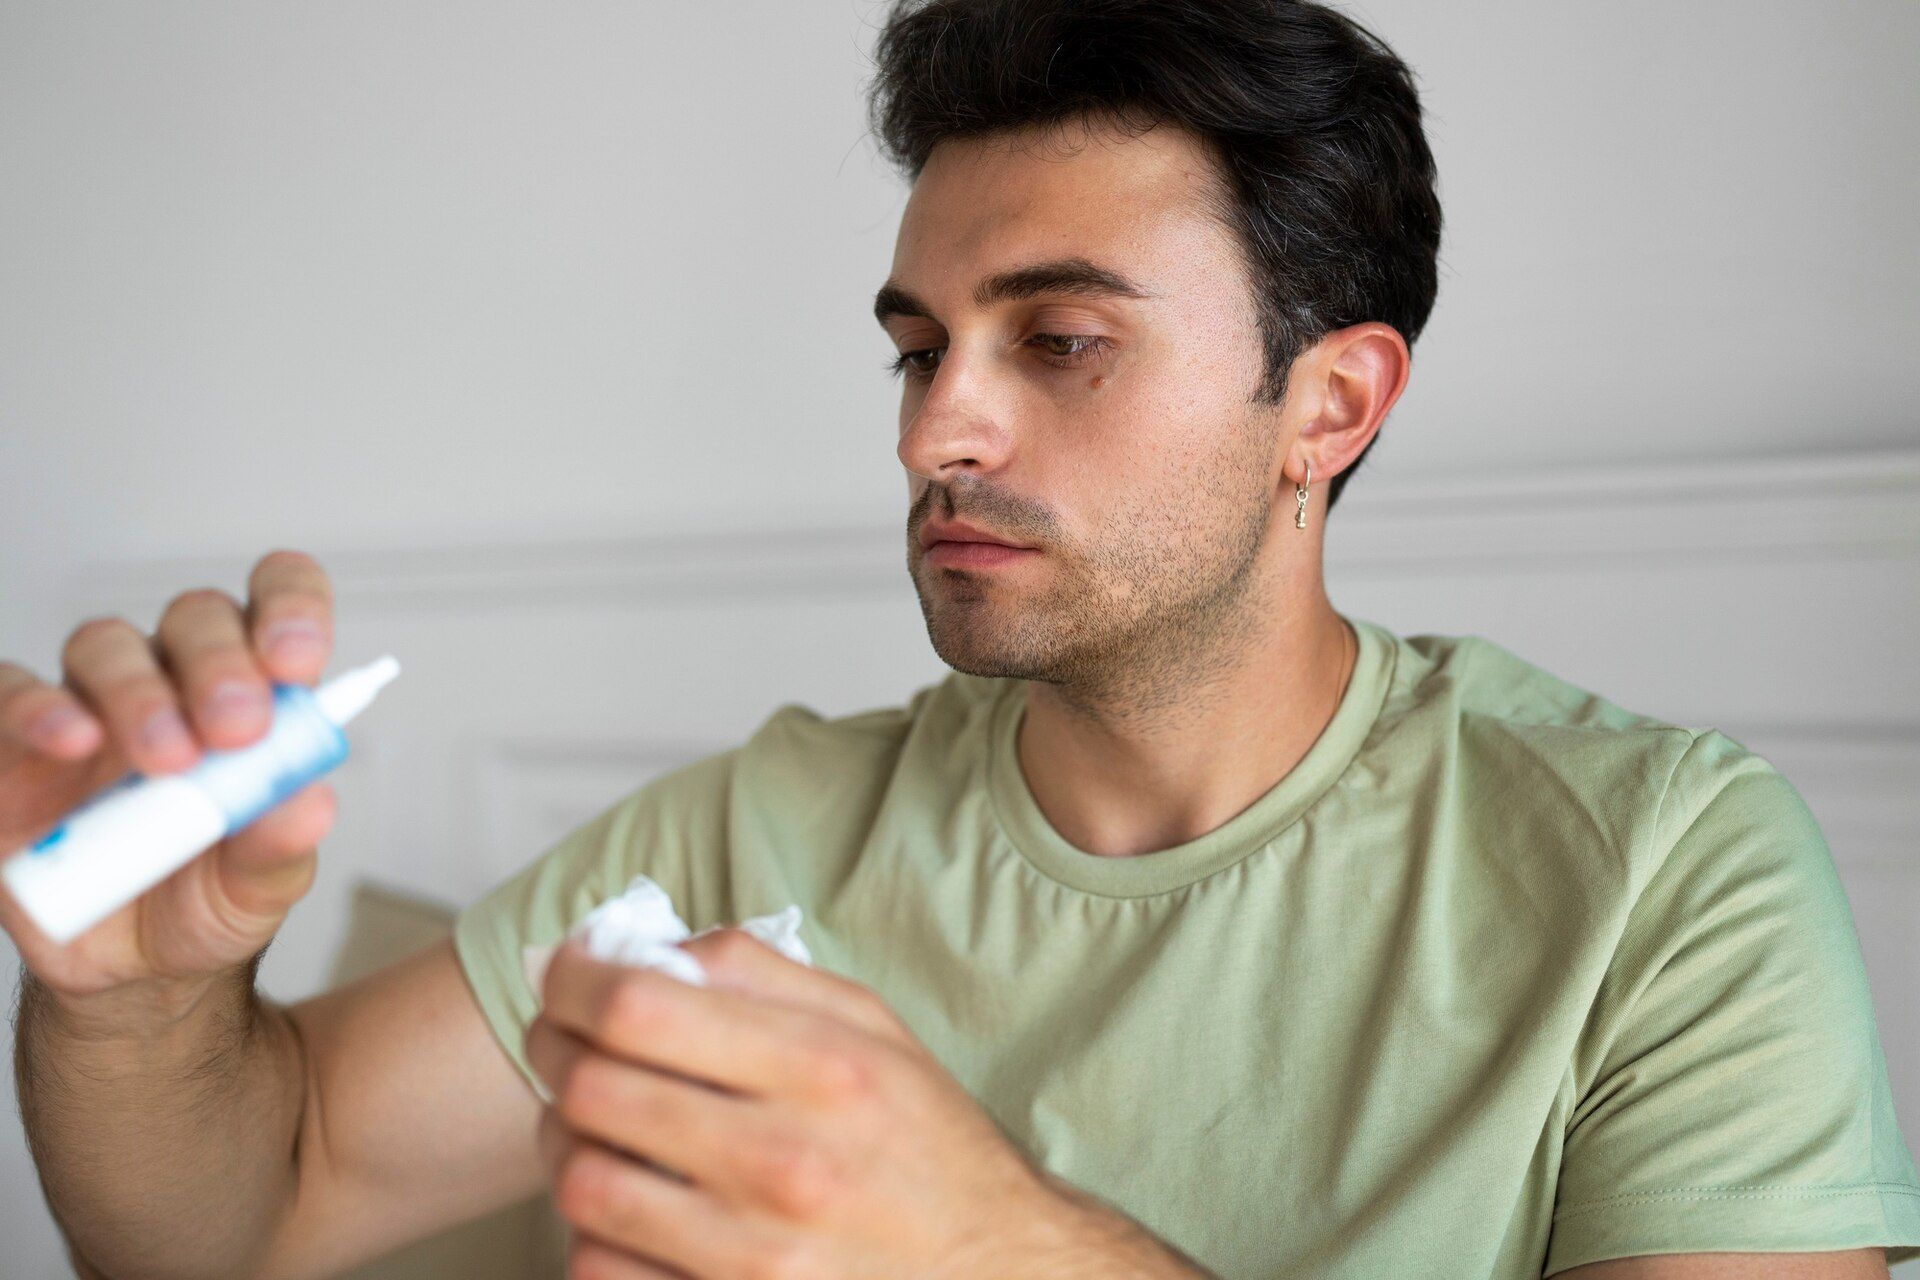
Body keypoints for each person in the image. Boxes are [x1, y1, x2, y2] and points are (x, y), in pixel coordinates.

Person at [6, 1, 1918, 1276]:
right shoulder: (757, 831)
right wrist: (132, 998)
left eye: (1059, 342)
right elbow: (247, 1206)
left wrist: (1002, 1244)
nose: (935, 431)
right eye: (920, 349)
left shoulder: (1666, 867)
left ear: (1328, 408)